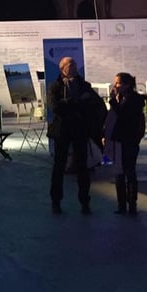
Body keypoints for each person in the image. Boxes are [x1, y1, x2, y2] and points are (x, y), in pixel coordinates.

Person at [47, 56, 104, 215]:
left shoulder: (84, 85)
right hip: (62, 131)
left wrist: (69, 103)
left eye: (75, 65)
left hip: (80, 130)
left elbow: (95, 104)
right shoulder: (55, 87)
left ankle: (85, 201)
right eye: (70, 65)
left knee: (82, 167)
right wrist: (77, 102)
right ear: (62, 68)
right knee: (59, 166)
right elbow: (55, 107)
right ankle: (56, 200)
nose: (73, 68)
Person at [107, 72, 146, 215]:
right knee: (119, 173)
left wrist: (113, 101)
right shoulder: (121, 98)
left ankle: (131, 203)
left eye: (118, 83)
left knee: (129, 172)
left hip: (129, 139)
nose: (115, 86)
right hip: (119, 139)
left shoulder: (134, 100)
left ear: (127, 85)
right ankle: (121, 203)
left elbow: (123, 115)